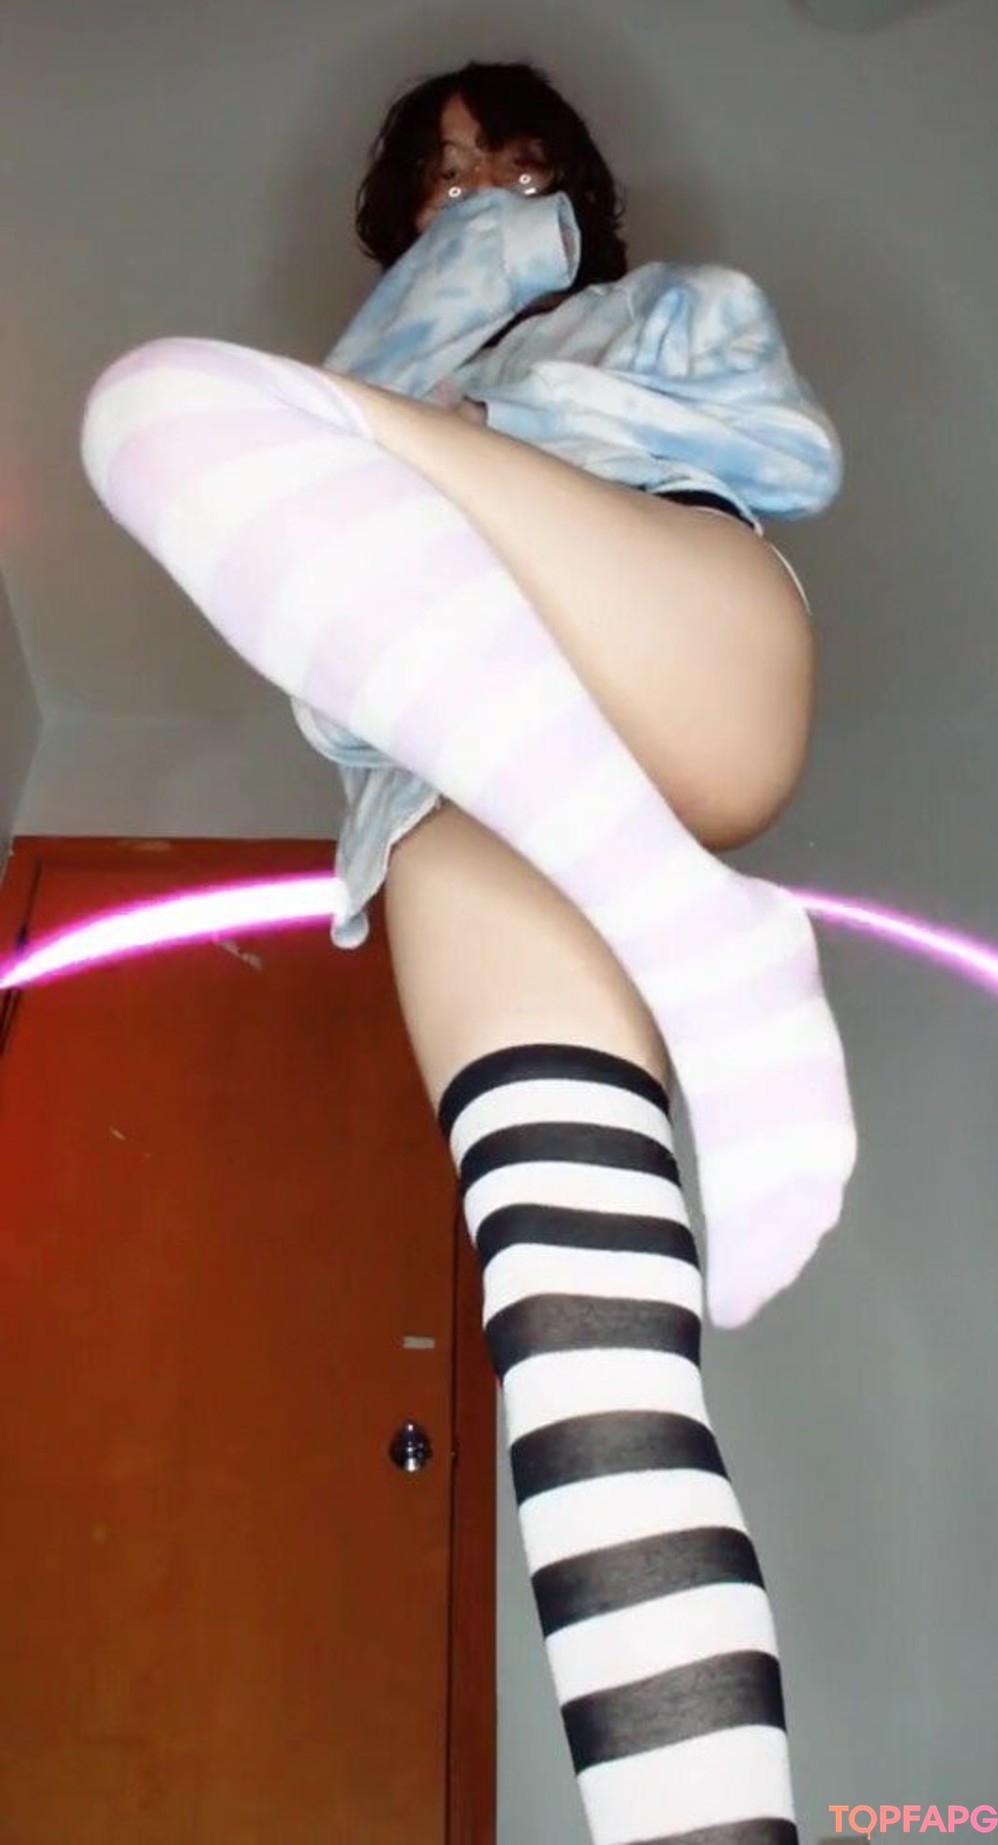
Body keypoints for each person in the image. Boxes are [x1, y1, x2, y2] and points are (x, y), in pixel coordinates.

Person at [79, 58, 859, 1844]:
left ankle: (701, 934)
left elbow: (788, 451)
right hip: (468, 786)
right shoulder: (378, 358)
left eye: (502, 156)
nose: (471, 184)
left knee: (174, 397)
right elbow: (320, 663)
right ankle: (707, 941)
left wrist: (503, 362)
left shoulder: (667, 308)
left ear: (563, 174)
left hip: (672, 637)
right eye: (436, 174)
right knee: (589, 1362)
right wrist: (441, 310)